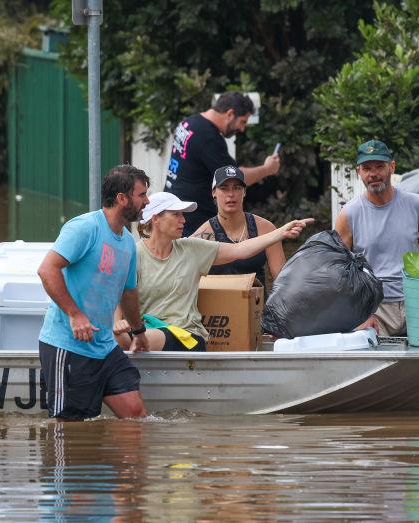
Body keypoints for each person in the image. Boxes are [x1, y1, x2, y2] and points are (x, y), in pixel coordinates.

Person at [115, 191, 312, 352]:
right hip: (144, 330)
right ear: (155, 219)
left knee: (140, 339)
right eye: (176, 214)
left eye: (183, 214)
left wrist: (281, 232)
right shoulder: (134, 253)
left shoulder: (192, 248)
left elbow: (239, 250)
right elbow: (119, 292)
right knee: (117, 338)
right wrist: (117, 324)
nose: (183, 220)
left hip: (186, 336)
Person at [37, 165, 152, 421]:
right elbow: (47, 270)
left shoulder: (128, 244)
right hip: (68, 345)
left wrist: (139, 331)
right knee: (70, 429)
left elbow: (129, 293)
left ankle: (125, 463)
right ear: (122, 198)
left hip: (105, 347)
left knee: (135, 413)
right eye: (141, 195)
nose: (147, 201)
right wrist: (75, 314)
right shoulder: (85, 228)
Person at [333, 140, 419, 336]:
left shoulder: (416, 205)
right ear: (359, 172)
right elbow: (338, 272)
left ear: (392, 167)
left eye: (380, 166)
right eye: (367, 168)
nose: (373, 174)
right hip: (373, 309)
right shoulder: (349, 214)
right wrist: (360, 314)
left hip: (413, 302)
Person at [164, 92, 281, 237]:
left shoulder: (189, 123)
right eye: (243, 121)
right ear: (230, 114)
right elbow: (236, 176)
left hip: (174, 209)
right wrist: (267, 169)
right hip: (192, 219)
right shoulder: (208, 137)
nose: (242, 129)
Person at [189, 165, 287, 286]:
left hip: (256, 302)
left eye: (237, 188)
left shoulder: (266, 229)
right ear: (214, 192)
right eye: (224, 188)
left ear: (244, 192)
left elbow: (282, 282)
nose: (231, 194)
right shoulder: (201, 236)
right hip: (216, 302)